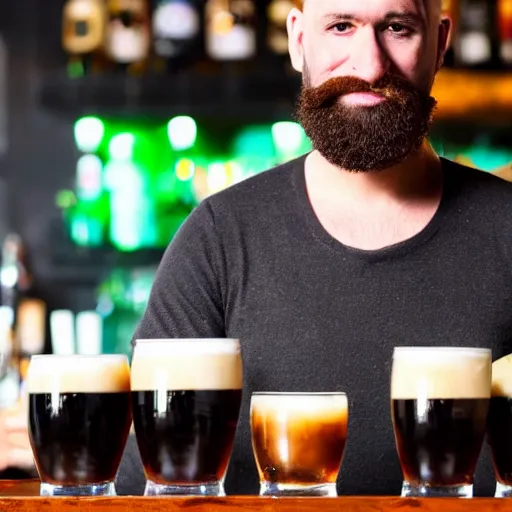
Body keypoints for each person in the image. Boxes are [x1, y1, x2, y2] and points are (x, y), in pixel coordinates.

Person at [129, 0, 512, 496]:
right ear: (298, 39)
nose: (369, 65)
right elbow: (144, 487)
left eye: (397, 28)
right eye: (341, 26)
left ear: (439, 44)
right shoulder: (218, 239)